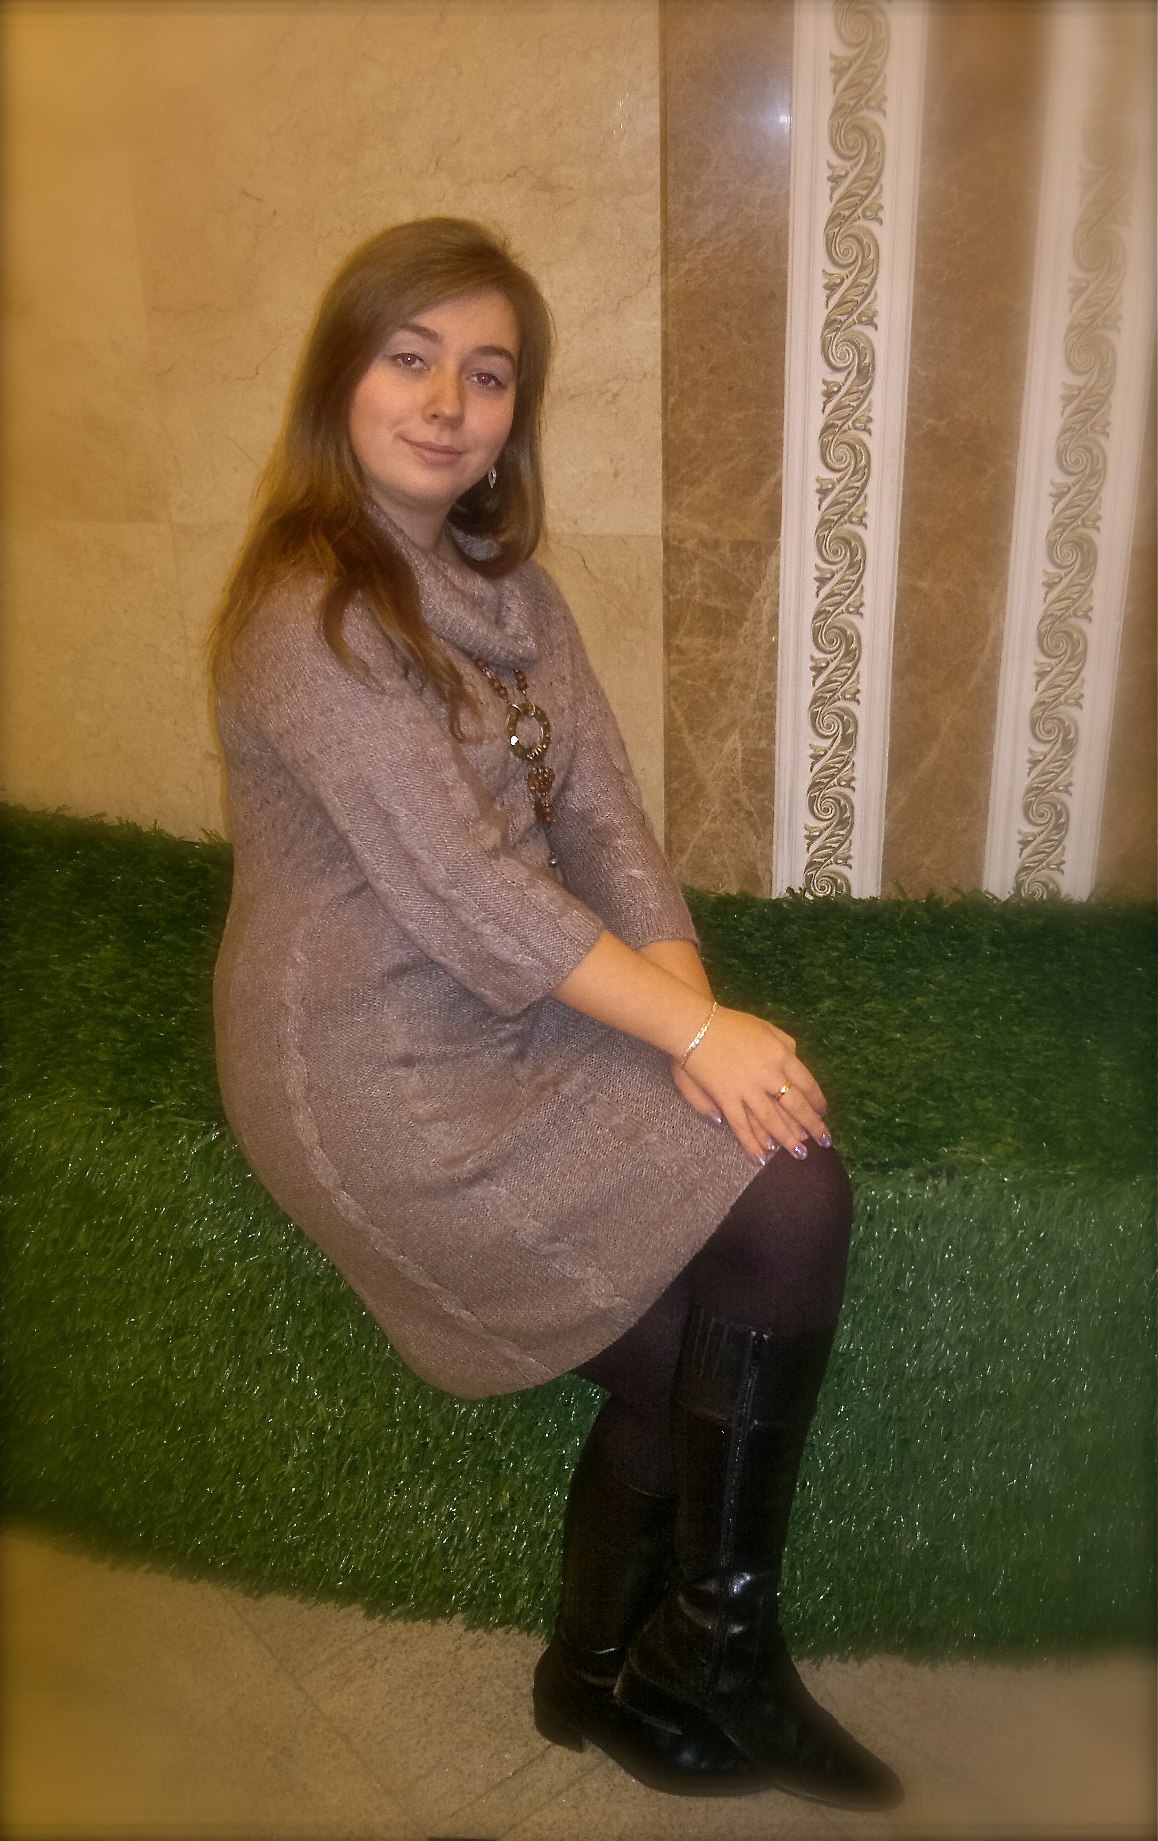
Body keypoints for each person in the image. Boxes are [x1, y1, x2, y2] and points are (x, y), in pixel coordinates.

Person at [210, 216, 901, 1807]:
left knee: (786, 1178)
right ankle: (651, 1664)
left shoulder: (502, 585)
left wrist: (693, 1015)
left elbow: (600, 821)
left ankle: (665, 1655)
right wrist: (688, 1036)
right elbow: (463, 888)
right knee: (699, 1327)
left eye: (488, 372)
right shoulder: (307, 610)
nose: (447, 400)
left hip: (512, 1005)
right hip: (374, 1068)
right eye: (410, 358)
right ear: (337, 379)